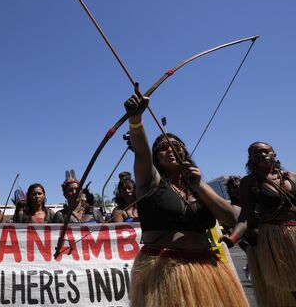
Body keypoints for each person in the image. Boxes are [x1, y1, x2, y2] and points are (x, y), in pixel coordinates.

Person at [123, 90, 246, 307]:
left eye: (177, 145)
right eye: (162, 147)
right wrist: (136, 120)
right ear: (156, 158)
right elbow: (141, 152)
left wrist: (199, 186)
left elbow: (232, 218)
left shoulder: (199, 186)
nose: (171, 149)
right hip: (164, 269)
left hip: (206, 267)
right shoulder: (150, 181)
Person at [239, 142, 296, 295]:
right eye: (257, 153)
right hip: (276, 237)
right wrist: (232, 238)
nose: (263, 155)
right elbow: (246, 215)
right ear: (251, 159)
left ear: (274, 154)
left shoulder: (291, 176)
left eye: (266, 151)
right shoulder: (249, 182)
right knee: (292, 284)